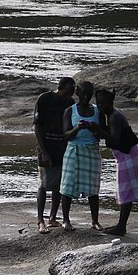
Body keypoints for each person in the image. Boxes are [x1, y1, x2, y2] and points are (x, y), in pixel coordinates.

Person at [95, 89, 138, 236]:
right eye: (98, 103)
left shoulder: (114, 116)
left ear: (110, 103)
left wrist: (97, 130)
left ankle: (121, 227)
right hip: (127, 154)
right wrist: (99, 123)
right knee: (125, 191)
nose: (99, 106)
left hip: (129, 155)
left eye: (102, 104)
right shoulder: (110, 114)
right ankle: (121, 225)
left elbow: (114, 139)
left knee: (126, 192)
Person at [33, 77, 76, 233]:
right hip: (46, 147)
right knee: (44, 184)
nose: (69, 96)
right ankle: (40, 220)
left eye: (71, 93)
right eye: (67, 92)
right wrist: (43, 152)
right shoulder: (44, 99)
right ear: (59, 88)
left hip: (63, 148)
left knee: (60, 185)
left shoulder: (70, 103)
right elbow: (37, 126)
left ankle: (52, 218)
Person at [60, 81, 102, 231]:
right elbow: (65, 135)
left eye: (88, 95)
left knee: (93, 187)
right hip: (74, 150)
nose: (85, 97)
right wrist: (77, 129)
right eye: (83, 94)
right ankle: (65, 220)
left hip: (92, 150)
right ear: (77, 93)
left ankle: (95, 221)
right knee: (67, 185)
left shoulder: (97, 111)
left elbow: (101, 134)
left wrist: (94, 128)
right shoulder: (70, 111)